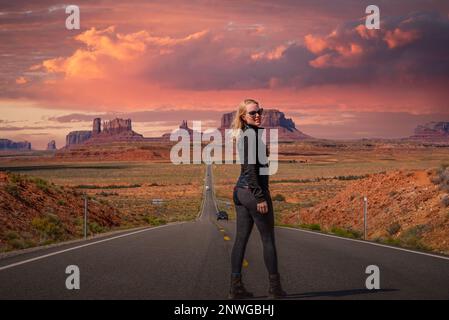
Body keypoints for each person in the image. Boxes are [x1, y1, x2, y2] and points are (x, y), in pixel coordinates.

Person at [228, 98, 287, 299]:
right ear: (244, 117)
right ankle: (275, 289)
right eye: (253, 113)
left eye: (259, 111)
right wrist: (260, 197)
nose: (258, 115)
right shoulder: (250, 136)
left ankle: (236, 289)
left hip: (241, 192)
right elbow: (252, 171)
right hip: (253, 192)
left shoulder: (249, 135)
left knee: (241, 240)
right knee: (268, 239)